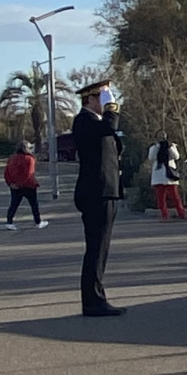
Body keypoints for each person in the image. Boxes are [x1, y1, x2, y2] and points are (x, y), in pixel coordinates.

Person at [71, 82, 125, 316]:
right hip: (96, 192)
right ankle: (93, 301)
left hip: (105, 191)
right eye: (101, 98)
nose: (104, 103)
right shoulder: (85, 121)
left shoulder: (96, 123)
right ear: (91, 100)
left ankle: (96, 296)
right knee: (96, 247)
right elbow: (109, 126)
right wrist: (111, 107)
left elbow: (114, 142)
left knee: (101, 248)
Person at [2, 143, 44, 229]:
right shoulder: (29, 159)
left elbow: (6, 172)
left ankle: (9, 222)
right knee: (34, 204)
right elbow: (29, 173)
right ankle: (38, 221)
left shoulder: (12, 159)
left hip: (15, 186)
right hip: (29, 185)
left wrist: (11, 183)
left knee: (14, 204)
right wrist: (22, 183)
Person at [148, 135, 186, 220]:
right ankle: (164, 215)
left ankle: (182, 214)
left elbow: (176, 156)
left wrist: (170, 147)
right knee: (161, 199)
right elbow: (151, 157)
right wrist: (157, 146)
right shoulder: (154, 147)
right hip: (159, 176)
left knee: (175, 197)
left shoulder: (171, 146)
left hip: (170, 176)